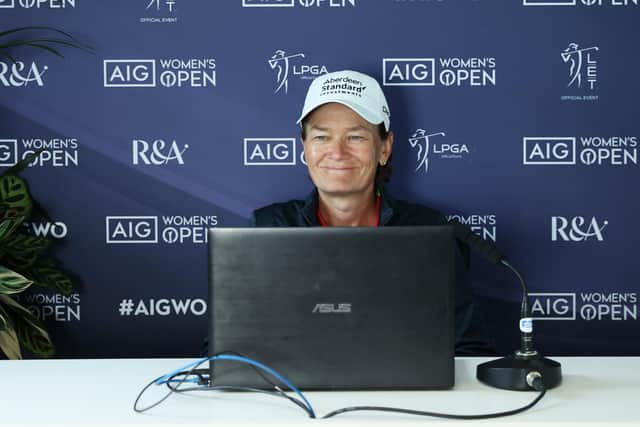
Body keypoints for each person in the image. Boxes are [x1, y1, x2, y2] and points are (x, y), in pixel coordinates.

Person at [251, 70, 494, 355]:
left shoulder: (430, 231)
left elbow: (468, 349)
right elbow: (226, 351)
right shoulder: (268, 227)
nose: (337, 152)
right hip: (297, 398)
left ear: (385, 148)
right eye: (321, 137)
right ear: (304, 147)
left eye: (355, 137)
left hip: (404, 399)